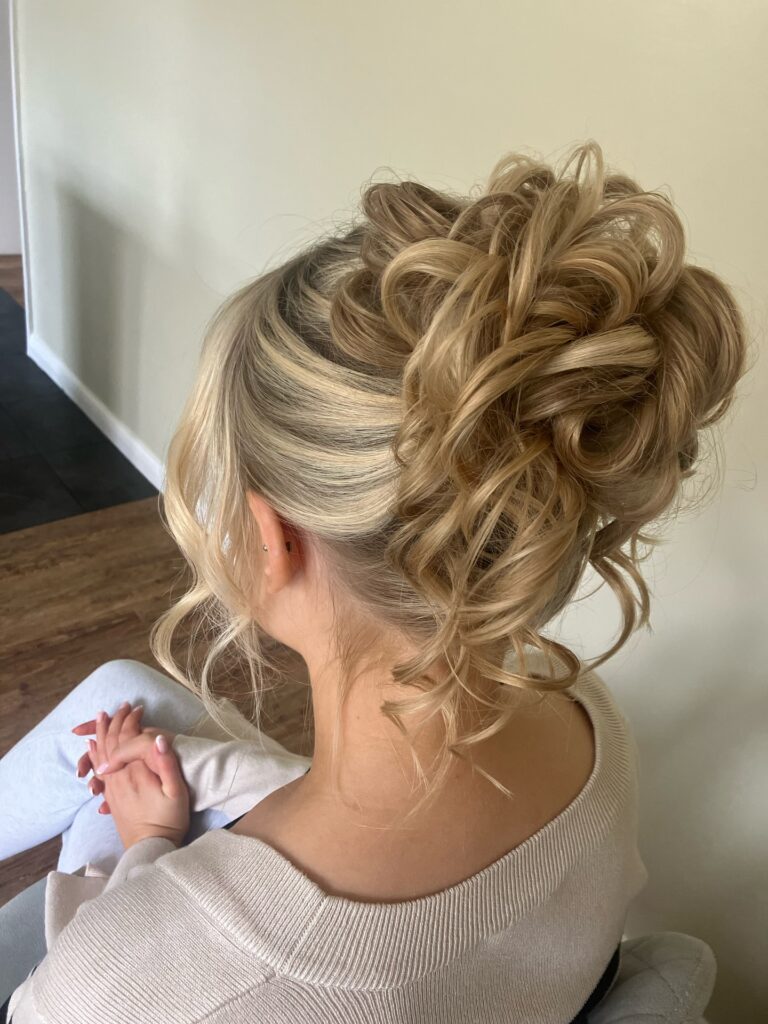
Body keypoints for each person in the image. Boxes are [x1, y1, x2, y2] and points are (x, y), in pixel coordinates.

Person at [0, 139, 748, 1023]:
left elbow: (149, 974)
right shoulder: (585, 721)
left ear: (273, 538)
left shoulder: (116, 987)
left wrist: (150, 847)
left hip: (168, 926)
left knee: (106, 727)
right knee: (124, 695)